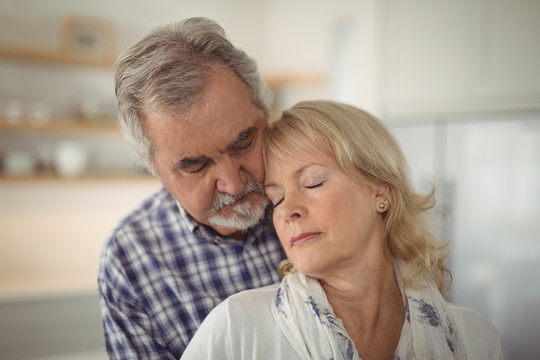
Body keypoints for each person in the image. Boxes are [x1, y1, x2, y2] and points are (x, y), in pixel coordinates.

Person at [181, 100, 508, 359]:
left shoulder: (476, 340)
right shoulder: (236, 329)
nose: (289, 210)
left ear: (380, 190)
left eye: (313, 182)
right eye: (276, 199)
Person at [97, 17, 286, 359]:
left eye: (244, 141)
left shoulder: (323, 196)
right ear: (154, 169)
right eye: (195, 165)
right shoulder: (131, 261)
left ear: (266, 114)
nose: (233, 182)